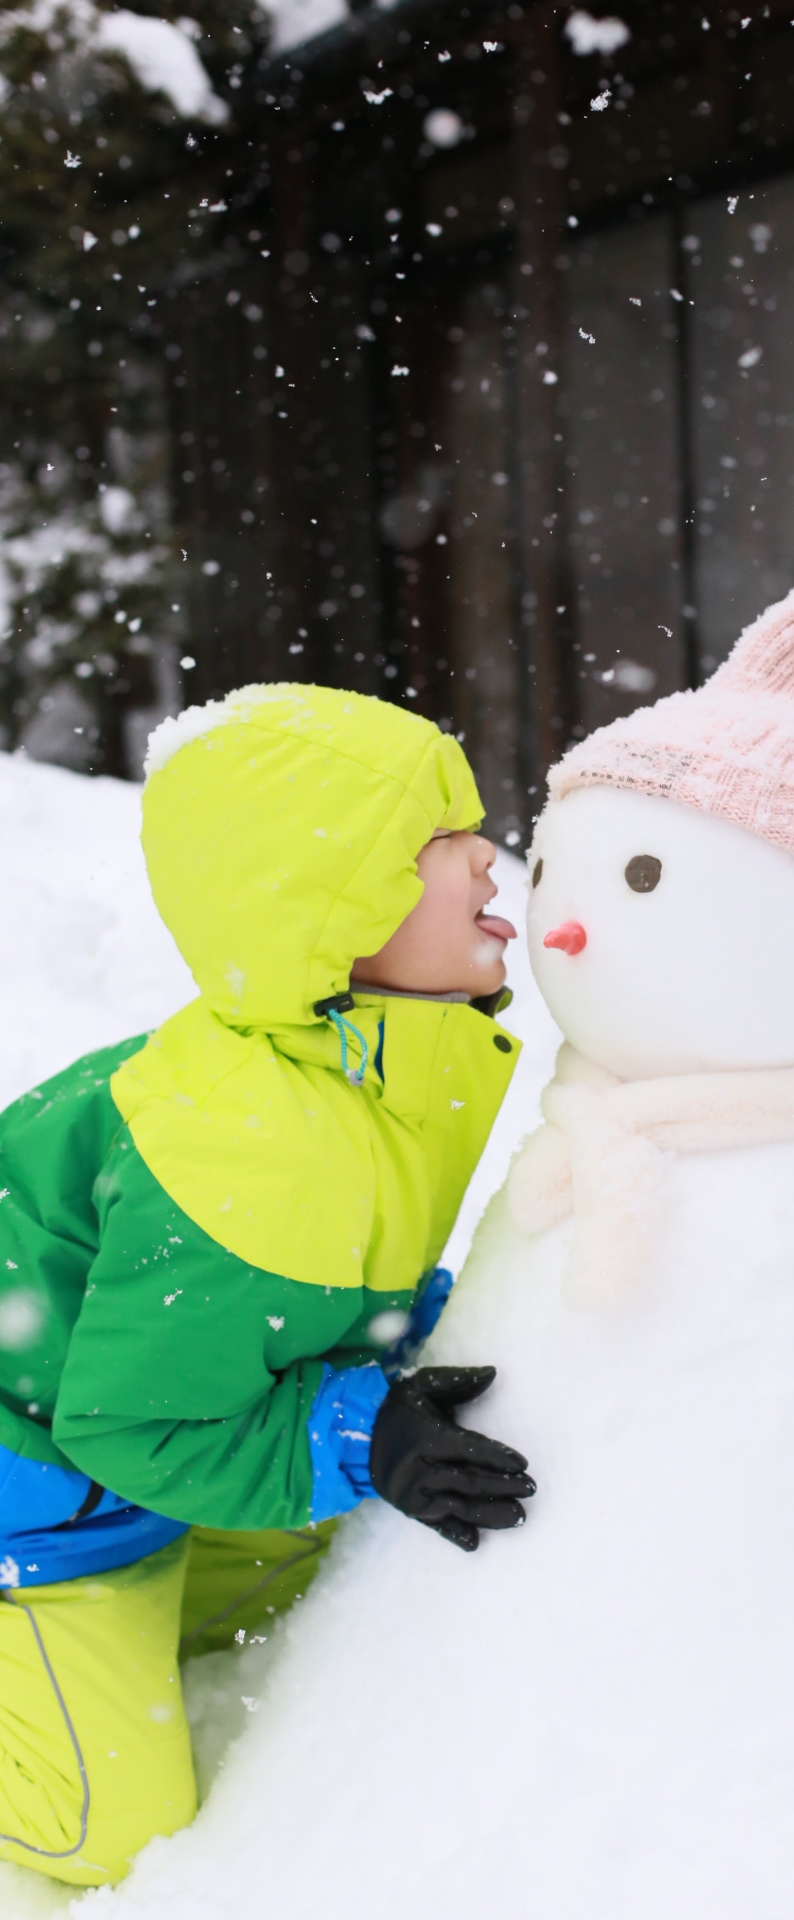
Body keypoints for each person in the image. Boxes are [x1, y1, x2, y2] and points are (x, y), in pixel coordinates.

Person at [0, 683, 536, 1888]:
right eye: (434, 840)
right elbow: (131, 1422)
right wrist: (360, 1428)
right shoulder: (247, 1159)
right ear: (326, 912)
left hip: (119, 1434)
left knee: (295, 1543)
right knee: (109, 1829)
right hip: (36, 1489)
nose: (484, 852)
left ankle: (125, 1625)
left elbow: (306, 1288)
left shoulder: (348, 1063)